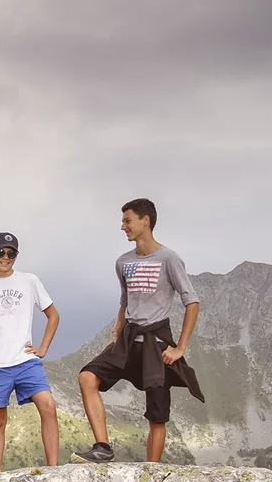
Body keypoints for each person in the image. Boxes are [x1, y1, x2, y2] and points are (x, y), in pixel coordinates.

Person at [75, 197, 204, 464]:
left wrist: (180, 348)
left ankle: (152, 471)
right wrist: (117, 330)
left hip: (157, 342)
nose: (123, 227)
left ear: (145, 221)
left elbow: (191, 301)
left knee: (157, 414)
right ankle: (103, 447)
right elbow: (125, 300)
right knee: (88, 377)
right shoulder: (123, 262)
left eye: (127, 220)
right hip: (127, 339)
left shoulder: (169, 259)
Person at [0, 232, 61, 472]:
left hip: (25, 359)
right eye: (0, 252)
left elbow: (53, 315)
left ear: (16, 256)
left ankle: (53, 469)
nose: (5, 257)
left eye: (11, 253)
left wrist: (42, 349)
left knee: (48, 406)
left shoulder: (29, 281)